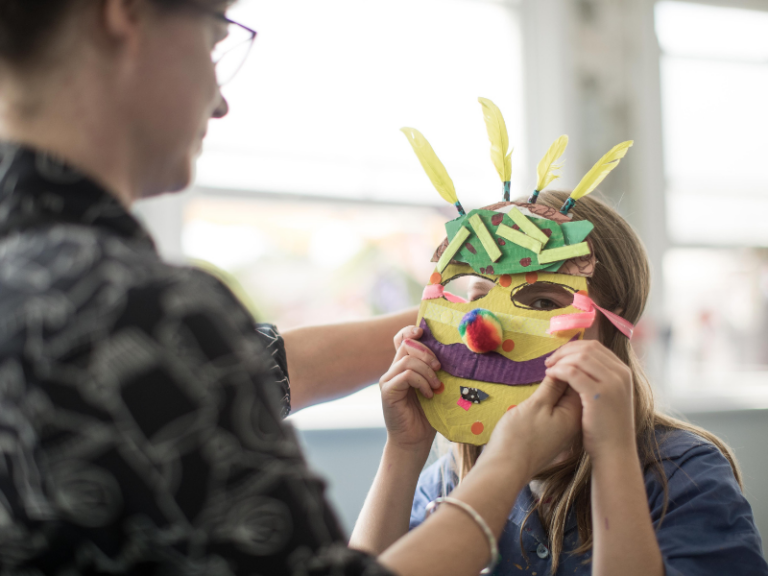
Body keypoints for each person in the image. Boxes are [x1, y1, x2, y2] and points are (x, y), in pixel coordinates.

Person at [0, 1, 589, 574]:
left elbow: (264, 367)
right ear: (123, 13)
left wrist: (474, 309)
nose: (222, 100)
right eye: (214, 39)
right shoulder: (141, 310)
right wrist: (507, 463)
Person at [351, 191, 768, 576]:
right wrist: (404, 450)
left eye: (544, 303)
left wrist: (613, 453)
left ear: (612, 324)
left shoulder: (684, 473)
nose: (483, 330)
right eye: (476, 296)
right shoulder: (449, 480)